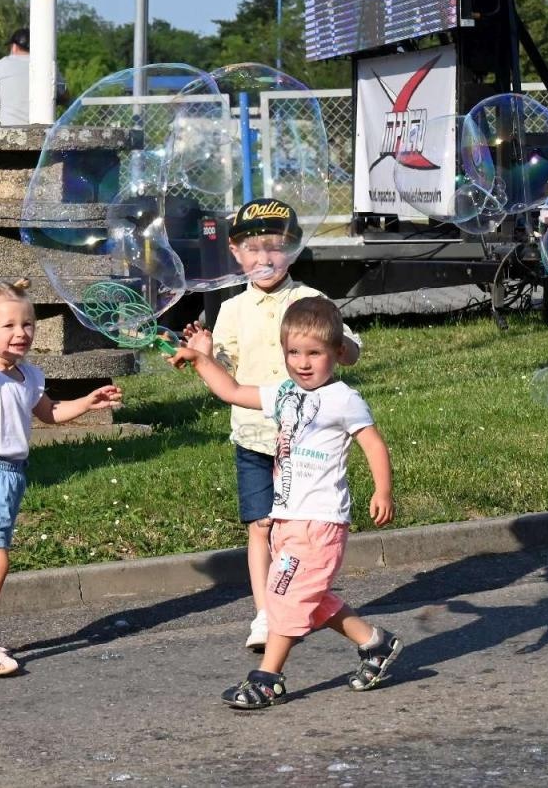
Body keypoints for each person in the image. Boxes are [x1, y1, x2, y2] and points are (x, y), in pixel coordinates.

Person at [170, 296, 399, 708]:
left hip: (321, 521)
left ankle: (268, 677)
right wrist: (203, 359)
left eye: (315, 353)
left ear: (338, 353)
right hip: (287, 518)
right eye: (294, 352)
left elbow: (374, 444)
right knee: (308, 597)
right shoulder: (285, 392)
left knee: (283, 596)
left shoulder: (344, 399)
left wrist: (382, 491)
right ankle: (375, 643)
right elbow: (234, 391)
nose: (303, 362)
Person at [181, 197, 362, 652]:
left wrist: (343, 347)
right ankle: (265, 614)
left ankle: (292, 601)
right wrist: (201, 353)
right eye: (253, 249)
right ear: (236, 253)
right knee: (260, 526)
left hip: (301, 444)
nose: (264, 258)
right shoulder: (232, 309)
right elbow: (224, 366)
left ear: (293, 250)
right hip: (252, 435)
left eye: (274, 248)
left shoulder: (310, 301)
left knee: (290, 532)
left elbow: (349, 347)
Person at [0, 276, 122, 677]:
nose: (20, 333)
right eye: (8, 326)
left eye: (27, 324)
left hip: (8, 477)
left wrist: (88, 402)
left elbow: (50, 413)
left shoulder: (28, 375)